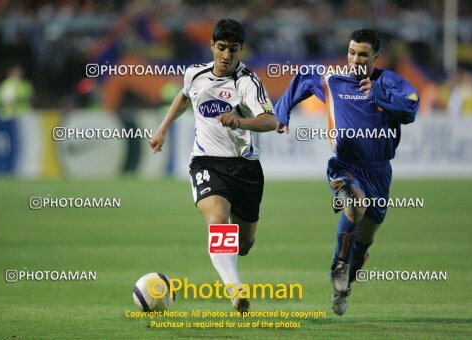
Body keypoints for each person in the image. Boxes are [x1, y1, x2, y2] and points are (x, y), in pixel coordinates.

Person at [275, 29, 419, 315]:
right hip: (345, 165)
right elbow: (304, 76)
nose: (355, 59)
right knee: (354, 206)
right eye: (352, 52)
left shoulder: (389, 82)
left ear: (376, 57)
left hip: (379, 171)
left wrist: (379, 94)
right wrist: (282, 111)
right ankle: (338, 265)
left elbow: (411, 108)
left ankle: (345, 282)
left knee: (364, 242)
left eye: (363, 54)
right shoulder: (333, 79)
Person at [149, 18, 277, 312]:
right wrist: (162, 129)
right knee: (218, 222)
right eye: (221, 48)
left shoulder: (248, 82)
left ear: (241, 49)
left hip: (245, 170)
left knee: (243, 246)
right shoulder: (195, 74)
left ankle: (233, 267)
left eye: (233, 49)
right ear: (212, 46)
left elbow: (271, 121)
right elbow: (184, 98)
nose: (227, 55)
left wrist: (240, 121)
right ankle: (236, 291)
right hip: (207, 162)